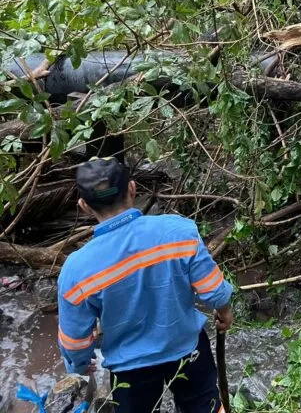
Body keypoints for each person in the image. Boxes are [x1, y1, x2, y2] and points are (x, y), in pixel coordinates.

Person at [57, 157, 234, 413]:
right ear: (132, 189)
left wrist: (79, 364)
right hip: (188, 351)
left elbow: (74, 342)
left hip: (129, 370)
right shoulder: (179, 231)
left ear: (84, 206)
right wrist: (225, 310)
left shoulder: (76, 270)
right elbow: (213, 290)